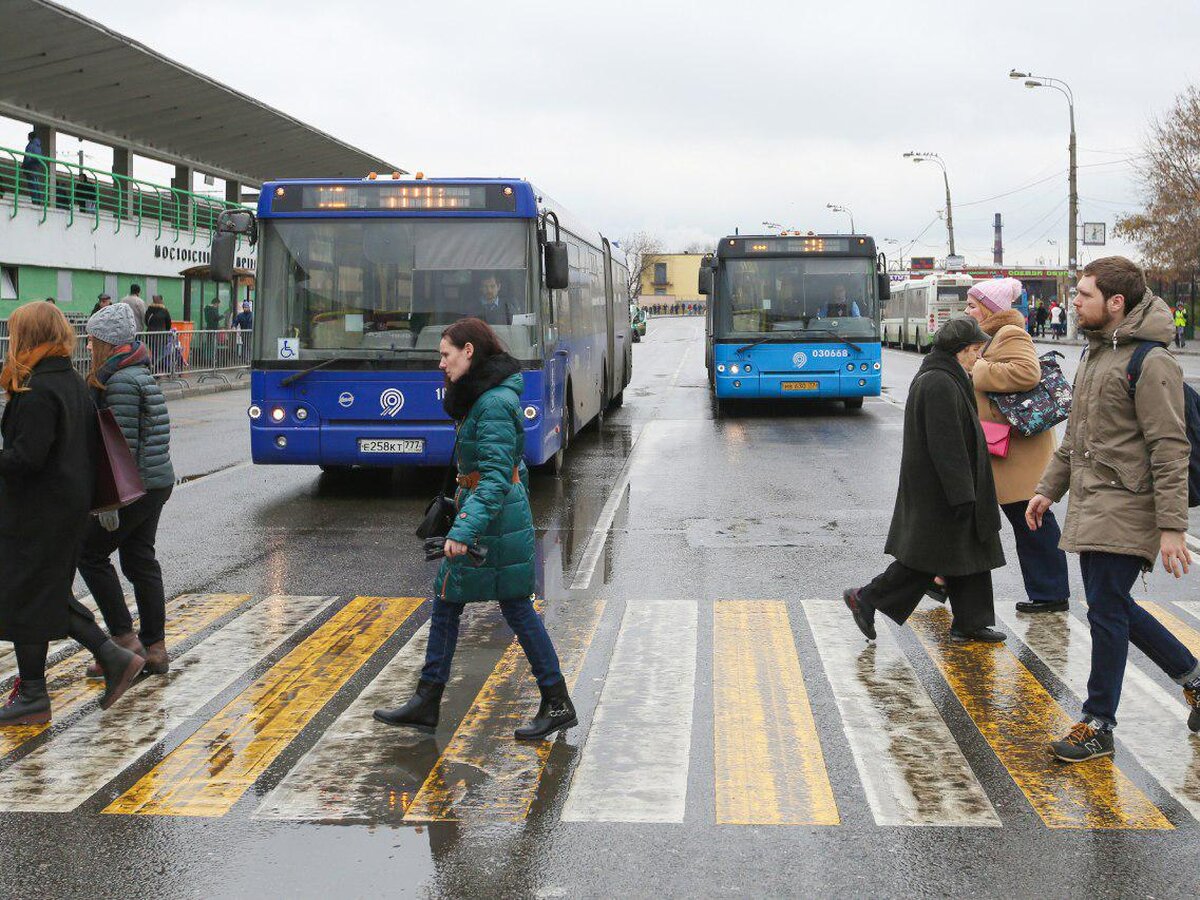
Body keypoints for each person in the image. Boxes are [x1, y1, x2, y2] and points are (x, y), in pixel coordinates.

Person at [1028, 257, 1200, 761]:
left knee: (1106, 609)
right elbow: (1076, 440)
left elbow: (1170, 448)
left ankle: (1098, 721)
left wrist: (1172, 528)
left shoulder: (1152, 362)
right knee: (1111, 605)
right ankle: (1193, 678)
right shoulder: (1098, 354)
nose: (1074, 303)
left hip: (1128, 505)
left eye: (1084, 295)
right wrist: (1047, 489)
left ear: (1116, 302)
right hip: (1092, 500)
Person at [375, 317, 577, 740]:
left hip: (496, 521)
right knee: (451, 601)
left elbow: (497, 476)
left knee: (513, 607)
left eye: (446, 355)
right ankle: (428, 700)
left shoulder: (494, 405)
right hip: (490, 516)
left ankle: (554, 700)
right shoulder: (482, 399)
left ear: (469, 352)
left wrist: (463, 530)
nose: (441, 364)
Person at [0, 302, 145, 725]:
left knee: (29, 597)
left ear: (30, 336)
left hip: (38, 512)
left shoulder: (40, 389)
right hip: (62, 508)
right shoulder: (69, 382)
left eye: (16, 332)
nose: (12, 340)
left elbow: (27, 458)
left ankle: (48, 687)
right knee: (40, 596)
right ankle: (38, 690)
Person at [843, 316, 1007, 644]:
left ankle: (971, 622)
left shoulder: (947, 376)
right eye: (975, 350)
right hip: (943, 491)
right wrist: (962, 494)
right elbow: (946, 446)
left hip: (949, 488)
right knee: (924, 560)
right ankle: (866, 597)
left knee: (967, 553)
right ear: (959, 350)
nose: (978, 356)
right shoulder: (939, 383)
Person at [77, 303, 176, 678]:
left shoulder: (118, 381)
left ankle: (124, 640)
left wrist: (109, 502)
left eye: (91, 341)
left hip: (135, 486)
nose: (88, 348)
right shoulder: (137, 372)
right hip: (155, 482)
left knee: (89, 553)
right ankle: (155, 648)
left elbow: (120, 448)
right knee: (139, 560)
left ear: (107, 342)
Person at [963, 278, 1070, 612]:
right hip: (1001, 446)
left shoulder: (1010, 333)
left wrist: (978, 367)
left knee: (1032, 521)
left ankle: (1051, 594)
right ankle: (942, 581)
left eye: (971, 305)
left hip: (1018, 450)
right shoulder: (987, 337)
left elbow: (1027, 373)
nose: (967, 310)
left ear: (990, 308)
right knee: (986, 519)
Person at [144, 294, 172, 373]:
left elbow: (146, 321)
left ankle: (153, 369)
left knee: (153, 352)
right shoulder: (164, 311)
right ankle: (154, 369)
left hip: (150, 334)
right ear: (161, 300)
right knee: (159, 353)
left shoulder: (149, 310)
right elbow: (168, 323)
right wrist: (166, 331)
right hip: (161, 335)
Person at [20, 132, 44, 205]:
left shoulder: (30, 146)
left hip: (30, 167)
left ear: (30, 137)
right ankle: (38, 201)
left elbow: (27, 157)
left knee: (32, 185)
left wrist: (24, 166)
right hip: (36, 168)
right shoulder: (38, 146)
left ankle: (35, 201)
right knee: (36, 184)